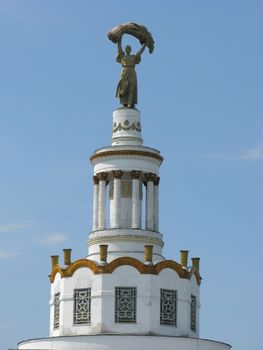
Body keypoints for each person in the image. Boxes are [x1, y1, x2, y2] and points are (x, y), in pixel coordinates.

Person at [116, 37, 146, 108]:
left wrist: (144, 45)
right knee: (123, 87)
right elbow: (119, 47)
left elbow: (140, 52)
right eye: (126, 48)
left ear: (130, 50)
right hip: (124, 72)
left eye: (129, 49)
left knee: (131, 87)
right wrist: (119, 39)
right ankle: (124, 103)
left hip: (132, 72)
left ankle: (130, 102)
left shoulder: (133, 57)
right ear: (125, 50)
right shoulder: (122, 56)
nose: (127, 50)